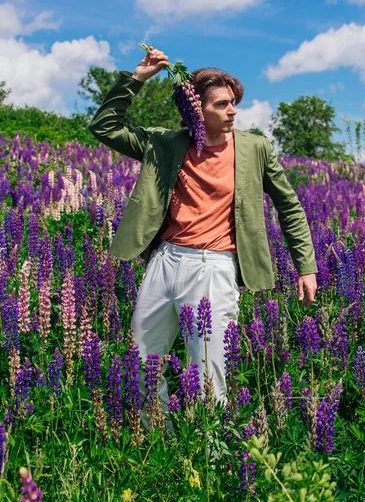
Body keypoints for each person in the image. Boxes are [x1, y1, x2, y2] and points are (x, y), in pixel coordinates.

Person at [88, 46, 318, 425]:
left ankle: (214, 459)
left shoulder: (254, 147)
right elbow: (105, 126)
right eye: (222, 105)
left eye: (234, 103)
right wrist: (137, 78)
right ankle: (156, 442)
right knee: (142, 360)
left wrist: (305, 266)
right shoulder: (166, 142)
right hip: (165, 261)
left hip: (215, 268)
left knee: (210, 374)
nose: (233, 111)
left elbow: (289, 205)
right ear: (198, 109)